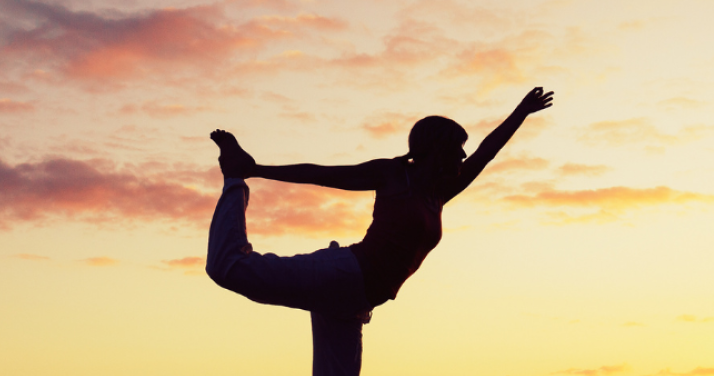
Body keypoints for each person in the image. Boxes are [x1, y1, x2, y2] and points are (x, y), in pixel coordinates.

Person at [206, 87, 555, 376]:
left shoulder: (440, 193)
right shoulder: (393, 175)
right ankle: (234, 177)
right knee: (228, 268)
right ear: (436, 148)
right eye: (457, 147)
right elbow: (325, 174)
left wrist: (521, 112)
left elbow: (486, 152)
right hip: (342, 274)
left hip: (354, 301)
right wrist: (255, 170)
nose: (463, 155)